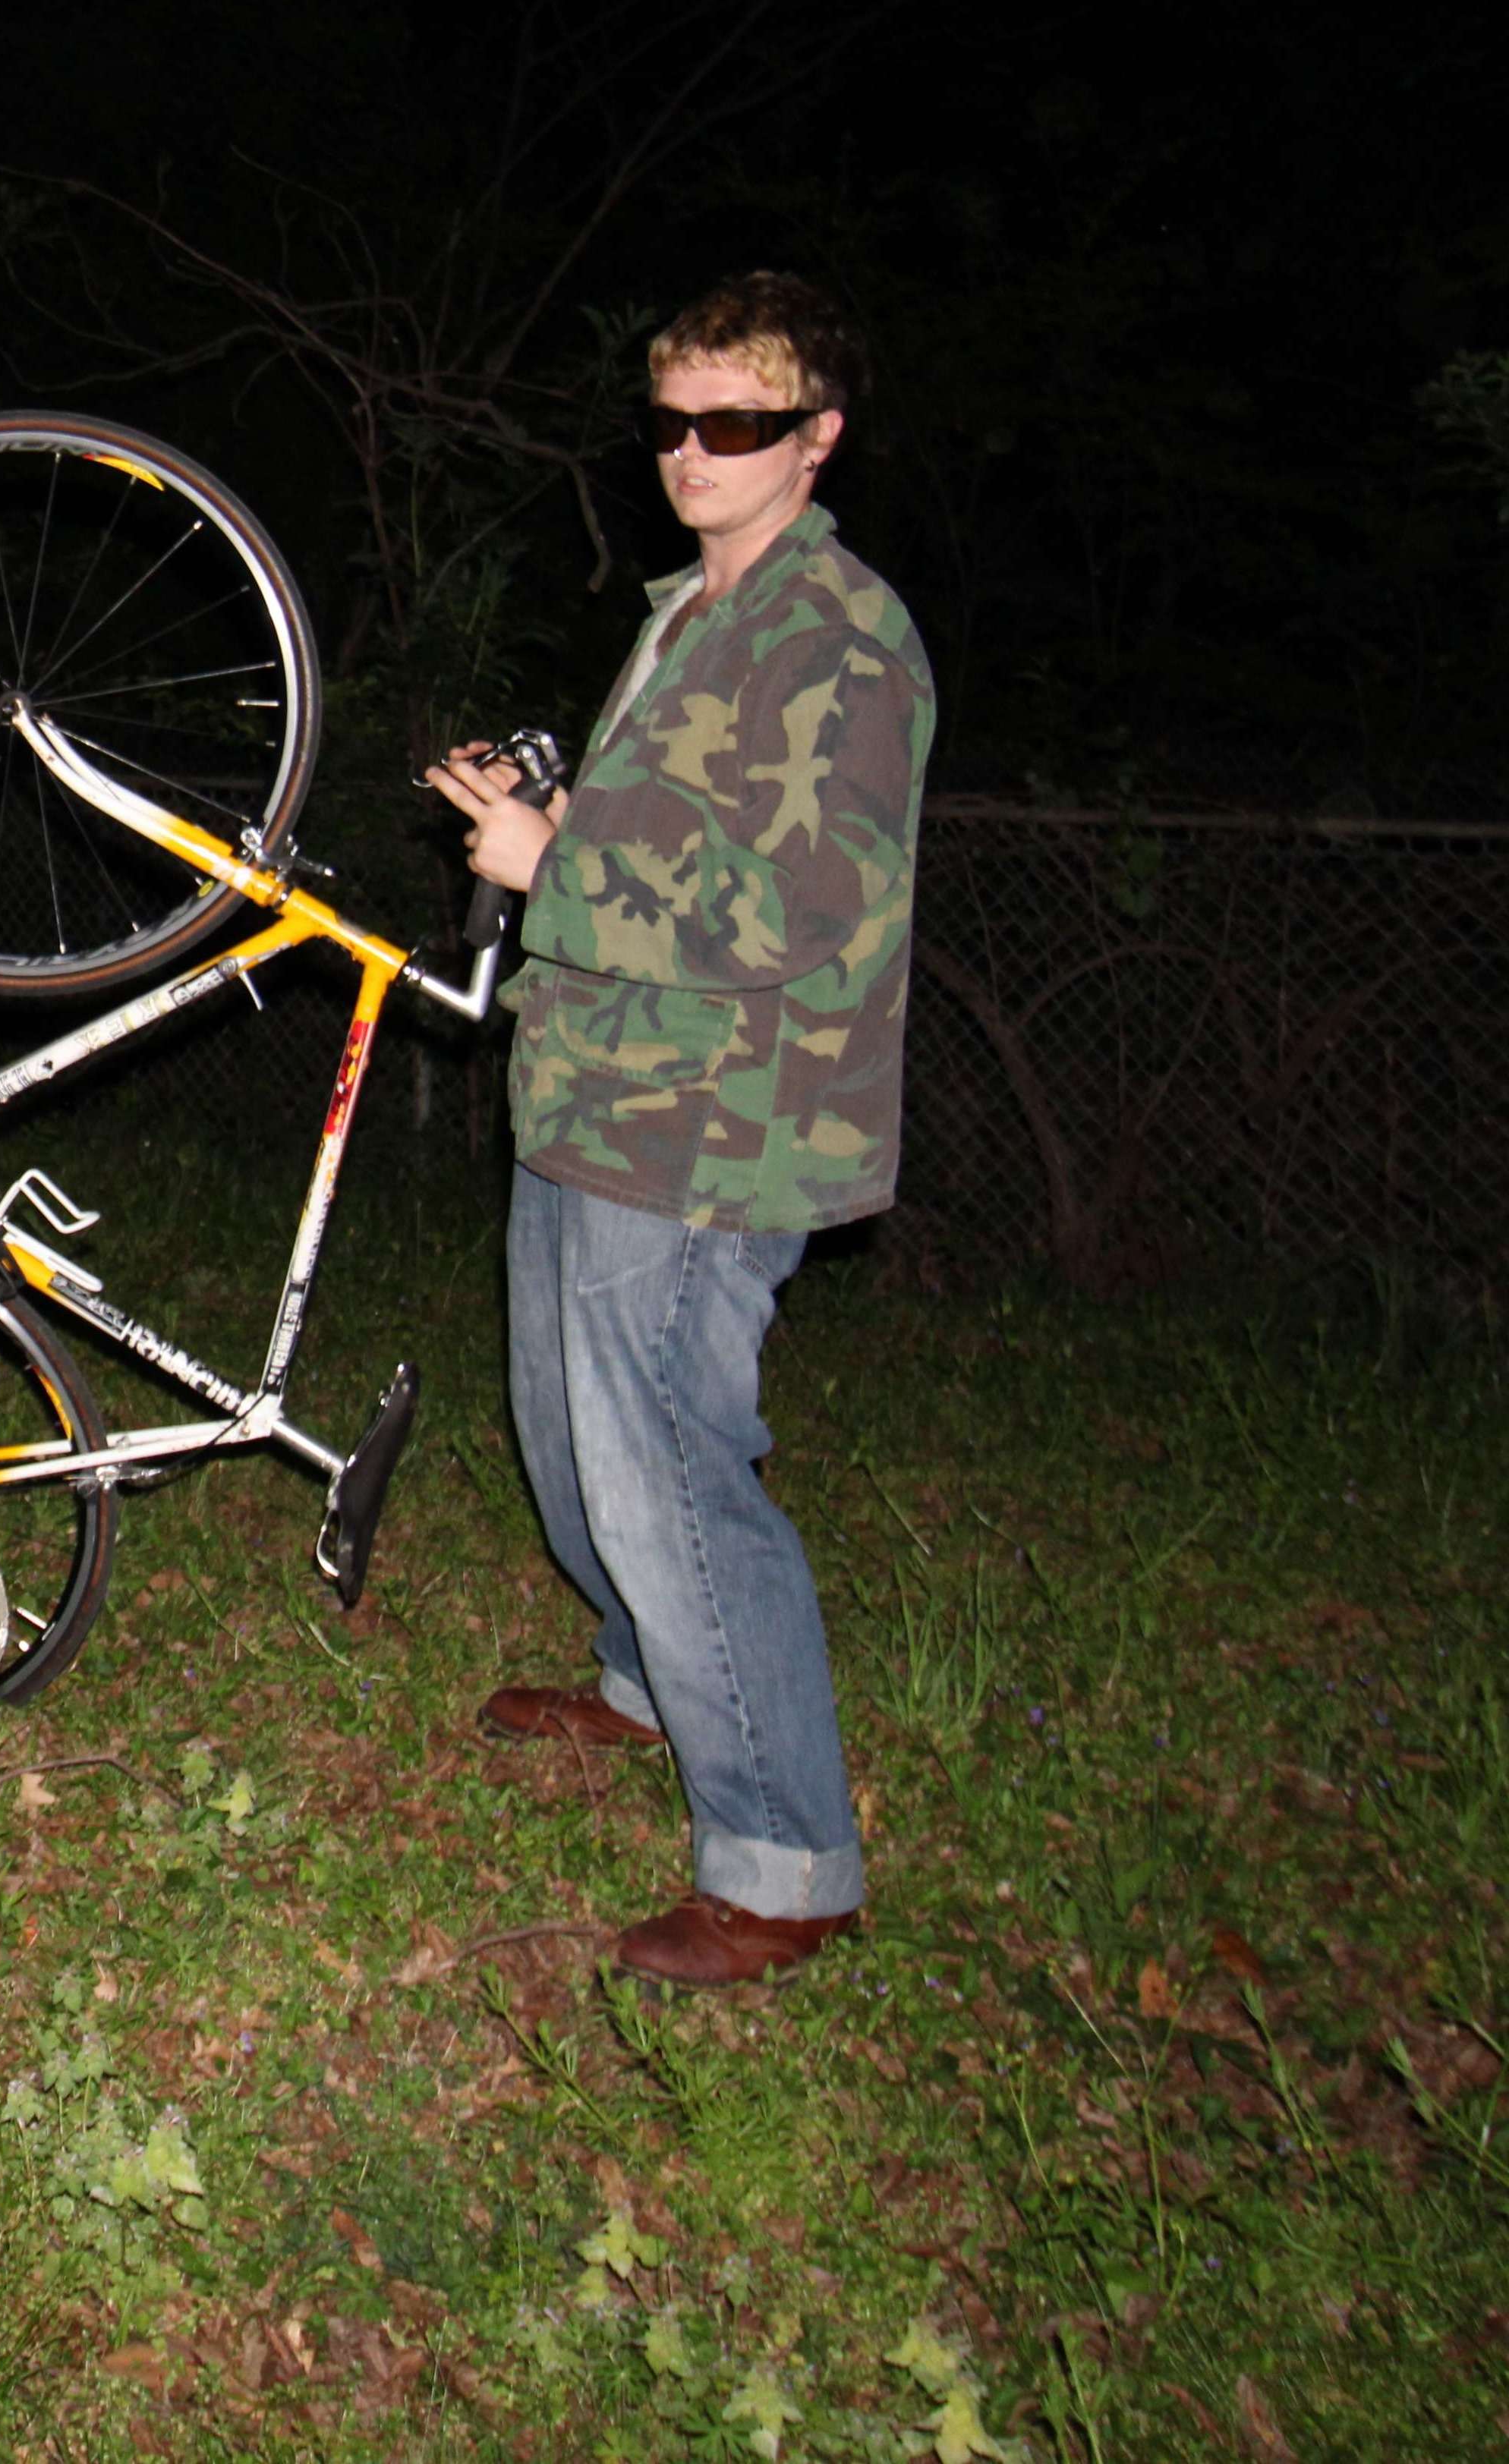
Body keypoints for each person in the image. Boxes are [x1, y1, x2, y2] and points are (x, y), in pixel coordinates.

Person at [423, 270, 932, 1990]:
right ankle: (649, 1679)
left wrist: (557, 869)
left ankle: (785, 1861)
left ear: (818, 437)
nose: (695, 454)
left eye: (738, 424)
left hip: (721, 1129)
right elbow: (672, 846)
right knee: (571, 1440)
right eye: (673, 421)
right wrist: (551, 813)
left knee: (672, 1469)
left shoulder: (840, 637)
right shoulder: (692, 613)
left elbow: (798, 908)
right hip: (594, 1089)